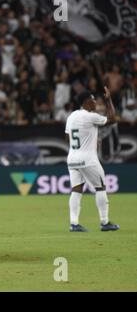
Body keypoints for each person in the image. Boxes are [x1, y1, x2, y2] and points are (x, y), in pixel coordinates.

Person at [65, 87, 120, 232]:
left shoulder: (71, 116)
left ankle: (74, 224)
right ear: (87, 102)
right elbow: (113, 119)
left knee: (76, 190)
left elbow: (67, 137)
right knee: (100, 187)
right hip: (88, 159)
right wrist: (108, 100)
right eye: (93, 99)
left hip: (72, 159)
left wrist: (89, 140)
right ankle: (104, 222)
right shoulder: (90, 116)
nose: (96, 102)